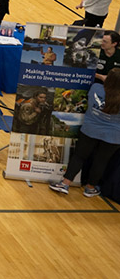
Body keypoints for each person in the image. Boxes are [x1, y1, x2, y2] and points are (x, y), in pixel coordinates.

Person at [49, 69, 120, 198]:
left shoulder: (96, 88)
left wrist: (102, 77)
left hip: (90, 130)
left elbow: (96, 80)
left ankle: (65, 183)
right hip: (114, 136)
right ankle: (90, 188)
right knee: (101, 161)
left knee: (79, 156)